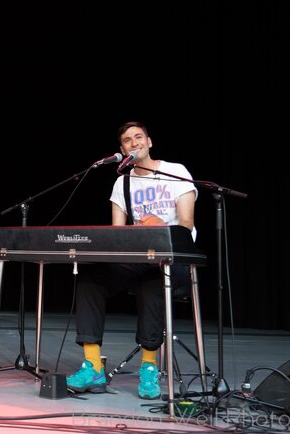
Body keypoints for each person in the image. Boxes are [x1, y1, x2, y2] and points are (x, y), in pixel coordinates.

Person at [65, 121, 197, 400]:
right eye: (127, 140)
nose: (134, 142)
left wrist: (160, 227)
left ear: (149, 142)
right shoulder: (121, 182)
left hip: (174, 258)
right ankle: (92, 366)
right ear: (122, 149)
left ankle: (149, 368)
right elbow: (118, 236)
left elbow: (186, 224)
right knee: (90, 279)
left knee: (152, 283)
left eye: (139, 137)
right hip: (137, 258)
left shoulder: (176, 172)